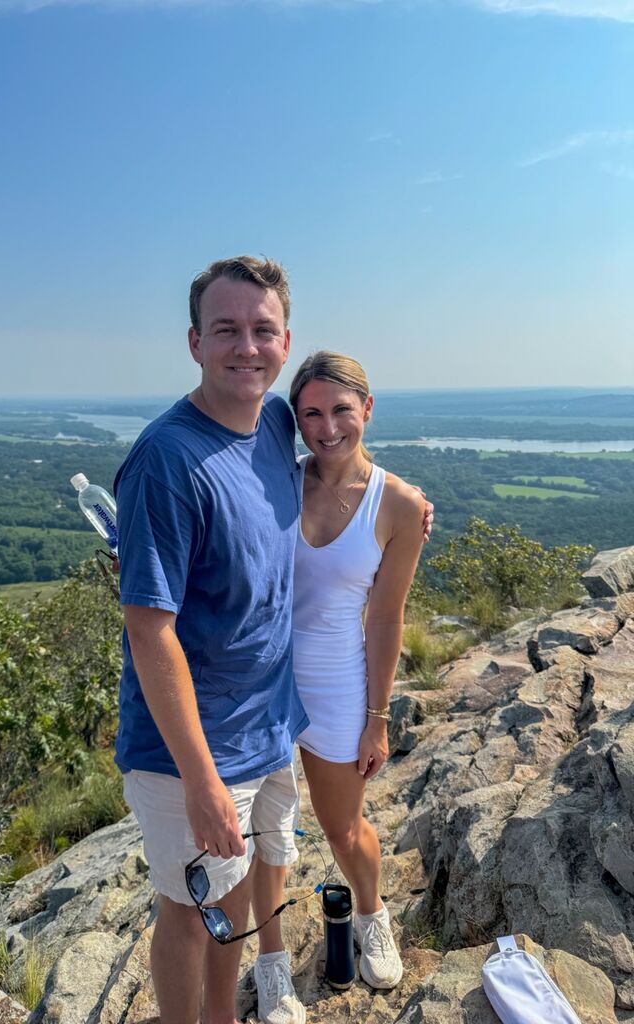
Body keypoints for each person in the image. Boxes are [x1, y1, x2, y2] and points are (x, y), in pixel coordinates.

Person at [113, 256, 309, 1024]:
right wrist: (200, 781)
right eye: (226, 330)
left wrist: (400, 503)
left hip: (267, 727)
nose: (246, 347)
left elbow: (334, 473)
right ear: (194, 342)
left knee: (238, 896)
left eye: (262, 331)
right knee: (192, 913)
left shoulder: (278, 421)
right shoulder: (167, 461)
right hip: (195, 752)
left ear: (285, 342)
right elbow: (147, 631)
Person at [251, 350, 426, 1001]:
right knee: (264, 837)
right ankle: (270, 962)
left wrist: (378, 720)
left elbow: (386, 619)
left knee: (342, 827)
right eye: (311, 414)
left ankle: (374, 916)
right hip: (260, 687)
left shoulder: (400, 506)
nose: (326, 428)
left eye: (341, 410)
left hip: (336, 686)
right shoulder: (275, 480)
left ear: (368, 409)